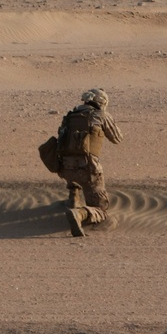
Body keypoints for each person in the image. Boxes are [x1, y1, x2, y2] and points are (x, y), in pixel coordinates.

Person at [56, 88, 122, 237]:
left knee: (75, 182)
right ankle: (79, 214)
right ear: (102, 102)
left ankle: (73, 197)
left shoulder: (70, 116)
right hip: (88, 168)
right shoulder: (101, 115)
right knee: (101, 208)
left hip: (65, 167)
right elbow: (117, 138)